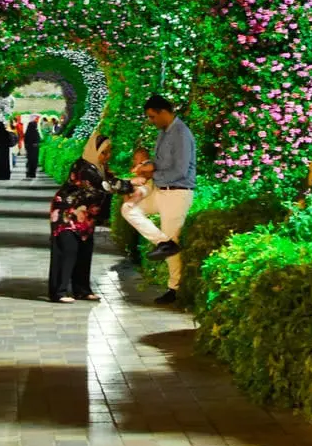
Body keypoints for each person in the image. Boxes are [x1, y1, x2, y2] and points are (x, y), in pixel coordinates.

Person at [131, 94, 195, 305]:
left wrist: (151, 174)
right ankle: (163, 243)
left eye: (152, 117)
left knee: (173, 238)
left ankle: (174, 288)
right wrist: (146, 165)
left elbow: (179, 170)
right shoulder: (163, 133)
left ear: (163, 112)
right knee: (130, 209)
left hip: (177, 192)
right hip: (160, 190)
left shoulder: (181, 134)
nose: (151, 121)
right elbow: (159, 163)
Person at [48, 133, 122, 302]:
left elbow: (112, 182)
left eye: (109, 152)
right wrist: (133, 184)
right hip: (66, 214)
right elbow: (106, 186)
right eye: (104, 152)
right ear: (93, 151)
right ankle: (58, 292)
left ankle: (81, 290)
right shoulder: (84, 168)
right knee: (67, 251)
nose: (107, 156)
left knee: (84, 250)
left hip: (85, 216)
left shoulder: (101, 168)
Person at [23, 115, 43, 179]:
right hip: (35, 149)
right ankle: (33, 173)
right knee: (34, 161)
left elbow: (25, 141)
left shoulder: (27, 133)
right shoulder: (36, 132)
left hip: (29, 149)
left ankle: (29, 172)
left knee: (29, 160)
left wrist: (27, 147)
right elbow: (38, 140)